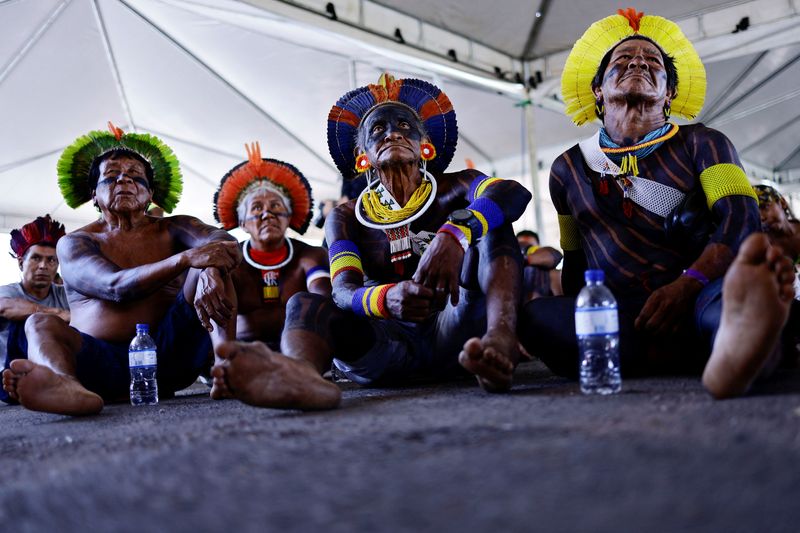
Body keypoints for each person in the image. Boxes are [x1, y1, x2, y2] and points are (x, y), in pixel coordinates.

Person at [211, 73, 532, 409]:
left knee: (493, 218)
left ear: (425, 144)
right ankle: (300, 378)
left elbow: (513, 192)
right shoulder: (345, 216)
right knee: (303, 304)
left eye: (405, 126)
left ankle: (500, 342)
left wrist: (453, 235)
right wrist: (385, 298)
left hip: (459, 335)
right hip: (385, 346)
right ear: (362, 155)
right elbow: (342, 291)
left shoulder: (459, 187)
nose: (393, 133)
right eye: (378, 131)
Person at [520, 8, 772, 398]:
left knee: (734, 310)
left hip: (700, 295)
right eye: (621, 61)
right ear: (597, 90)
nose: (637, 62)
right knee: (536, 318)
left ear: (669, 92)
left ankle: (714, 343)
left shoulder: (705, 143)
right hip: (621, 313)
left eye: (652, 62)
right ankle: (703, 352)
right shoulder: (565, 169)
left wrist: (690, 284)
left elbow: (742, 222)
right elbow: (576, 259)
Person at [2, 123, 241, 415]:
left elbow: (225, 244)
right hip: (99, 365)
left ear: (151, 193)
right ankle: (65, 386)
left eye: (136, 177)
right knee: (37, 324)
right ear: (94, 195)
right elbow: (115, 287)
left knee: (213, 263)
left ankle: (227, 367)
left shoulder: (175, 227)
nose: (124, 181)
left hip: (172, 356)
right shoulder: (75, 243)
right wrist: (187, 259)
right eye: (111, 177)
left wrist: (210, 269)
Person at [213, 142, 330, 351]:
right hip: (241, 355)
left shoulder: (311, 256)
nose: (267, 214)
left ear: (289, 216)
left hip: (302, 354)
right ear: (242, 224)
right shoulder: (229, 261)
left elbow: (324, 306)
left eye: (276, 206)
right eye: (257, 208)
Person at [0, 215, 70, 402]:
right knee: (26, 323)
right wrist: (59, 314)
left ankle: (55, 380)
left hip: (56, 365)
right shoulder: (7, 291)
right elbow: (4, 307)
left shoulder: (64, 294)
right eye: (36, 258)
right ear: (21, 263)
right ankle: (27, 379)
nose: (43, 266)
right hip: (11, 368)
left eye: (51, 260)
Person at [516, 230, 563, 301]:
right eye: (520, 245)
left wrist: (524, 258)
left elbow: (556, 256)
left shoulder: (550, 273)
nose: (523, 247)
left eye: (528, 246)